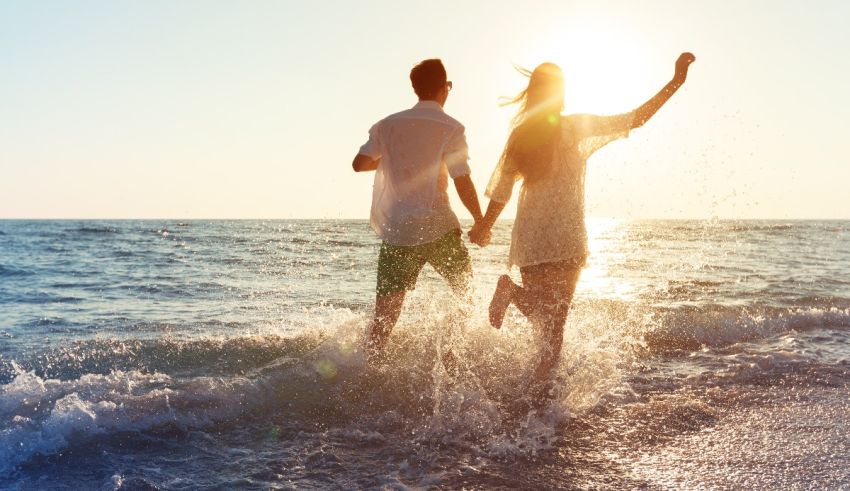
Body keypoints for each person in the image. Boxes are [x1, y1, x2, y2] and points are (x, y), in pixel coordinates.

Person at [469, 52, 696, 402]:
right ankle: (540, 403)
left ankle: (516, 308)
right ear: (560, 94)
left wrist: (484, 226)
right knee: (553, 329)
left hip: (530, 238)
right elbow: (635, 119)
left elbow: (501, 191)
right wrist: (676, 82)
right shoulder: (574, 127)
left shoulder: (520, 136)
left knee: (544, 323)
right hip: (566, 238)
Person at [353, 58, 486, 368]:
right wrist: (480, 220)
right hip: (439, 228)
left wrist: (391, 161)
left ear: (415, 88)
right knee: (467, 296)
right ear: (444, 89)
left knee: (384, 318)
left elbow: (359, 163)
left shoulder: (387, 125)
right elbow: (461, 178)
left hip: (398, 232)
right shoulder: (451, 127)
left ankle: (367, 376)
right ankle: (451, 355)